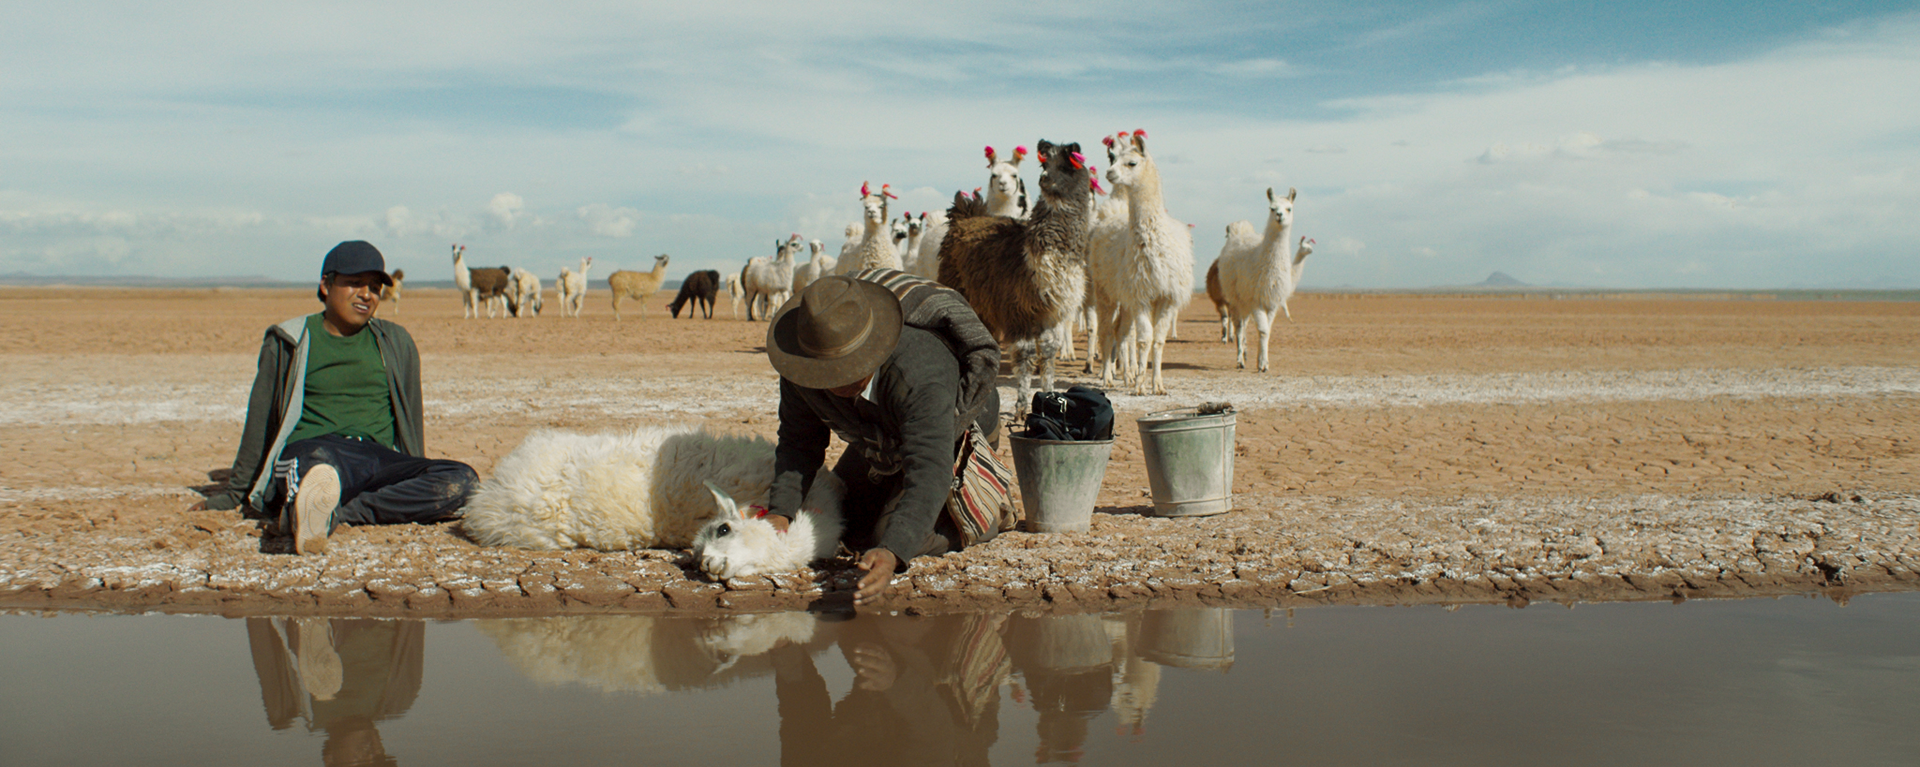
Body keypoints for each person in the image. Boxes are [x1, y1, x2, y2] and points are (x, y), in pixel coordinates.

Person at [193, 240, 477, 554]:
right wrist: (234, 493)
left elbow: (411, 416)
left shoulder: (395, 341)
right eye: (354, 283)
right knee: (317, 469)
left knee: (462, 479)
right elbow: (259, 421)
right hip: (314, 450)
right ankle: (314, 503)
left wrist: (413, 467)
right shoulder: (290, 339)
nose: (367, 294)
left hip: (374, 457)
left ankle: (333, 512)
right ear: (326, 285)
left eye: (374, 287)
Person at [762, 273, 1000, 604]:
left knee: (888, 536)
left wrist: (892, 552)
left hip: (953, 430)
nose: (840, 380)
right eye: (830, 373)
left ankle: (983, 515)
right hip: (881, 433)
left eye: (851, 368)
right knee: (842, 516)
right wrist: (780, 513)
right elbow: (798, 442)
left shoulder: (919, 374)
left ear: (874, 346)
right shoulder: (802, 371)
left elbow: (929, 467)